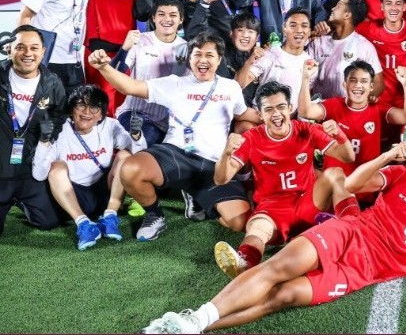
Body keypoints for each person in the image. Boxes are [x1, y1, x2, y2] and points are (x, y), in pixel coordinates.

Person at [142, 134, 406, 334]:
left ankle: (188, 328)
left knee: (281, 297)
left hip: (363, 271)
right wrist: (387, 156)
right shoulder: (400, 175)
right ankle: (197, 318)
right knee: (277, 268)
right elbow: (353, 184)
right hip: (351, 232)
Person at [87, 31, 261, 241]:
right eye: (197, 54)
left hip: (214, 165)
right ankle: (155, 214)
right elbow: (129, 86)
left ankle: (198, 195)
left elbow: (243, 113)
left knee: (239, 222)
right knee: (130, 169)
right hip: (177, 154)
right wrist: (103, 67)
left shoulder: (230, 87)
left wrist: (274, 116)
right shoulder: (175, 83)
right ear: (189, 59)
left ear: (219, 59)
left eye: (209, 55)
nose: (203, 60)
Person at [211, 81, 355, 278]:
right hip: (272, 209)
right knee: (257, 227)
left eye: (280, 107)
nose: (276, 114)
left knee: (335, 174)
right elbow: (221, 179)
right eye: (269, 109)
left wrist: (340, 134)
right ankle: (244, 263)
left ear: (290, 108)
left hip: (307, 202)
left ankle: (353, 228)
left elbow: (348, 157)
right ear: (260, 114)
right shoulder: (252, 138)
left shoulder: (306, 129)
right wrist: (226, 153)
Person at [31, 85, 141, 249]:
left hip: (104, 194)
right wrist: (44, 140)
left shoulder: (111, 125)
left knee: (125, 156)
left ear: (102, 114)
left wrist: (136, 136)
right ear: (72, 109)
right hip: (73, 196)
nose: (86, 112)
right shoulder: (60, 129)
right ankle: (83, 223)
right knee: (56, 167)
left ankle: (110, 216)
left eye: (94, 107)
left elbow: (138, 157)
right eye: (81, 105)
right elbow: (39, 174)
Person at [0, 25, 65, 236]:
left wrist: (49, 135)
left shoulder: (52, 82)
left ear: (43, 52)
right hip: (1, 166)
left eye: (34, 48)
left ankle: (18, 199)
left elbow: (60, 115)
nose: (28, 53)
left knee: (48, 221)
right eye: (20, 47)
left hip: (29, 167)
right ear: (9, 49)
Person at [298, 60, 406, 173]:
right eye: (353, 80)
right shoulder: (333, 105)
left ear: (371, 87)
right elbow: (305, 112)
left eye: (364, 81)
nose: (358, 85)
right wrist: (305, 78)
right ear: (345, 84)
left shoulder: (378, 108)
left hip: (367, 181)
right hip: (336, 181)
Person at [110, 0, 188, 146]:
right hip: (134, 113)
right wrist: (124, 49)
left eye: (173, 15)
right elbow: (115, 73)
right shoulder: (139, 40)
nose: (167, 19)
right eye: (161, 14)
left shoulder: (187, 49)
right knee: (142, 145)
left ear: (181, 20)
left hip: (168, 121)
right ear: (153, 18)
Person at [308, 0, 383, 100]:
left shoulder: (364, 46)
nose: (332, 9)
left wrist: (362, 100)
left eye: (338, 6)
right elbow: (304, 77)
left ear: (347, 15)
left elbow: (379, 84)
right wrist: (310, 34)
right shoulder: (318, 42)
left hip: (346, 109)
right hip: (318, 107)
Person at [356, 0, 406, 107]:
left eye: (398, 4)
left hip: (404, 100)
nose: (393, 8)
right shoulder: (368, 28)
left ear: (404, 7)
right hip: (376, 99)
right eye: (388, 3)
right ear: (382, 6)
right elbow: (346, 33)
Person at [238, 8, 312, 110]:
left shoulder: (309, 63)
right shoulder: (269, 54)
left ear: (309, 31)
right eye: (293, 25)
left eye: (304, 26)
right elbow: (239, 85)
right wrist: (249, 62)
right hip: (261, 116)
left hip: (291, 118)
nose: (299, 30)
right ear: (284, 29)